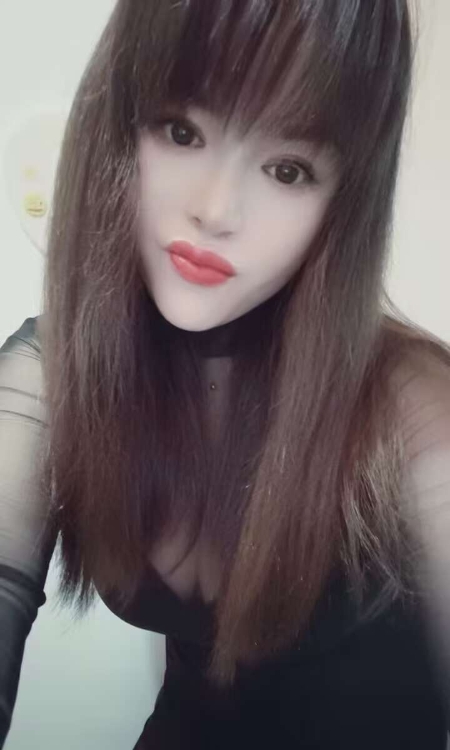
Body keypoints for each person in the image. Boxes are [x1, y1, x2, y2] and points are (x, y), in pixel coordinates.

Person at [1, 0, 450, 747]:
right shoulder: (54, 378)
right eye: (182, 131)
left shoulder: (411, 407)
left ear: (343, 204)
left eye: (287, 169)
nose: (215, 210)